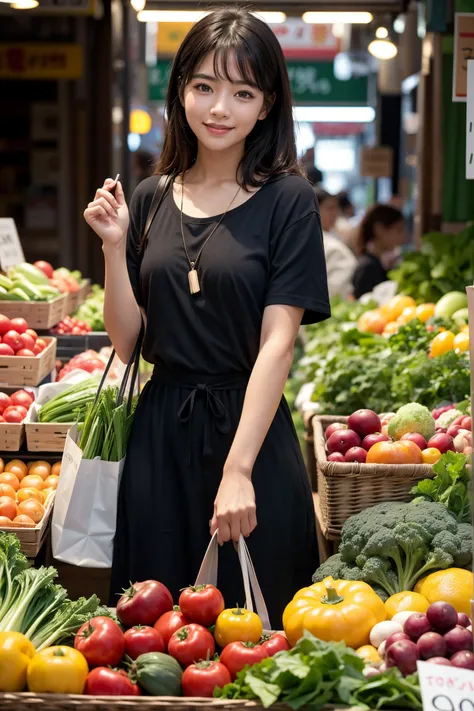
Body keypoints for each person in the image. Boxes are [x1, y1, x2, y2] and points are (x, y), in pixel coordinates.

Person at [83, 7, 330, 628]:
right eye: (204, 87)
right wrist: (115, 247)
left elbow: (279, 344)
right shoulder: (151, 196)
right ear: (181, 93)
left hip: (249, 433)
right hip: (159, 437)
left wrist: (238, 469)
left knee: (257, 630)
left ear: (266, 105)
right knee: (152, 637)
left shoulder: (289, 200)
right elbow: (129, 338)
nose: (220, 108)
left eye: (242, 93)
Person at [352, 204, 405, 299]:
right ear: (379, 229)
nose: (403, 237)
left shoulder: (376, 263)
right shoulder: (368, 267)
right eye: (398, 230)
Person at [315, 188, 357, 300]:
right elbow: (333, 292)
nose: (335, 213)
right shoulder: (334, 248)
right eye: (329, 208)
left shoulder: (333, 237)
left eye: (336, 208)